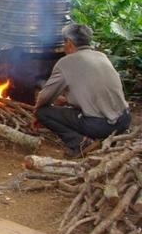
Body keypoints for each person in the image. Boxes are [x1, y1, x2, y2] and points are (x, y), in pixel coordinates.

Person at [34, 23, 130, 158]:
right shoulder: (101, 56)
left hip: (101, 126)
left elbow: (45, 97)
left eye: (64, 41)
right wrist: (67, 100)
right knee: (74, 111)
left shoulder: (66, 62)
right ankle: (108, 139)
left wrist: (36, 112)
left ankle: (79, 143)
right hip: (124, 120)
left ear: (69, 42)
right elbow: (94, 92)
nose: (63, 45)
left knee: (43, 112)